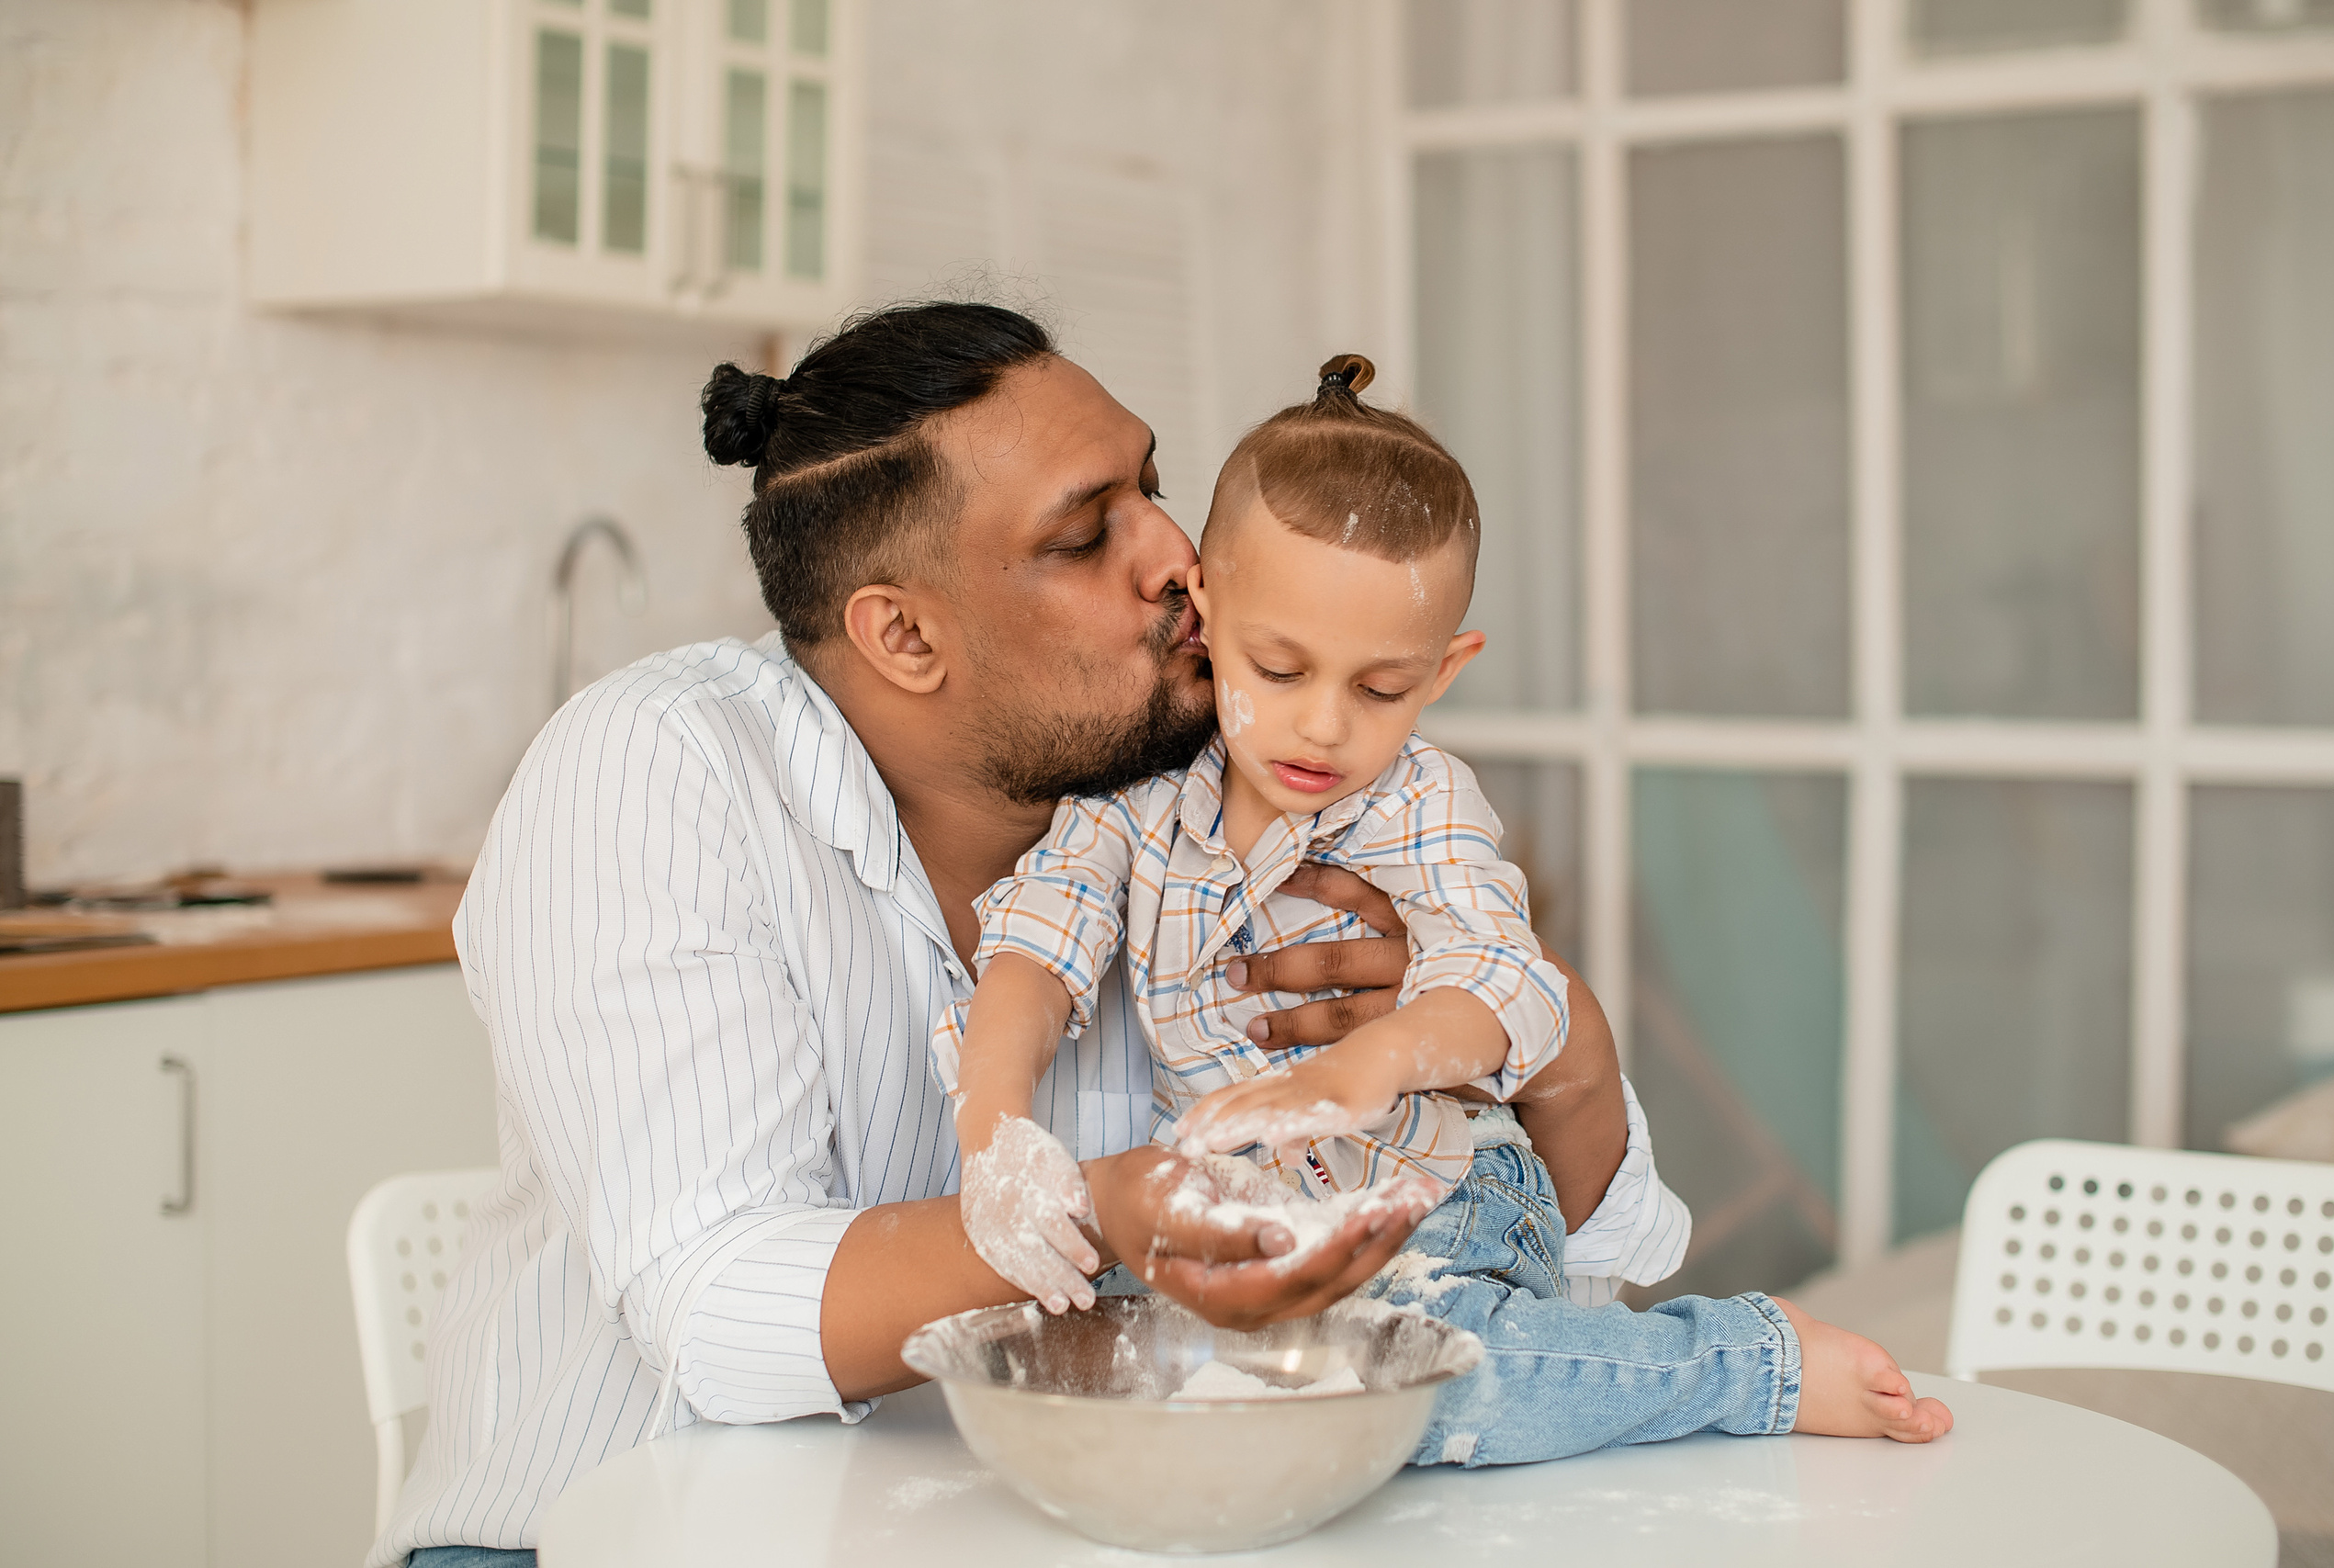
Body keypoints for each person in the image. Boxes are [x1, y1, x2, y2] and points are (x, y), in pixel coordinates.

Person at [375, 303, 1673, 1568]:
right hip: (605, 1532)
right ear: (905, 633)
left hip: (1021, 1524)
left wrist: (1535, 1042)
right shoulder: (658, 769)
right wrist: (1104, 1210)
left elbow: (1558, 1271)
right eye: (1084, 533)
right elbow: (715, 1304)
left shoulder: (1206, 796)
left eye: (1152, 486)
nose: (1178, 555)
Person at [938, 354, 1955, 1465]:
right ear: (1204, 614)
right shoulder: (1134, 814)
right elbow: (1035, 956)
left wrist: (1360, 1071)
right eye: (1278, 669)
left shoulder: (1418, 803)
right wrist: (996, 1131)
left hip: (1445, 1192)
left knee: (1434, 1396)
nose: (1324, 728)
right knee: (1165, 1385)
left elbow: (1504, 984)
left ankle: (1751, 1360)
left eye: (1379, 689)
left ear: (1443, 669)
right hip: (1262, 1222)